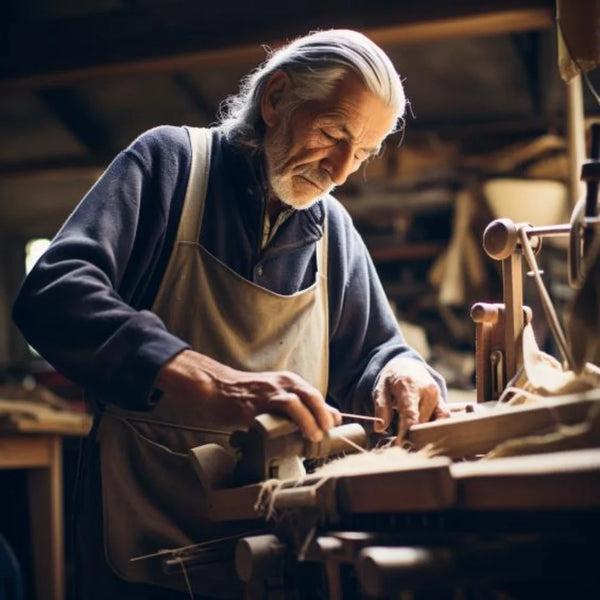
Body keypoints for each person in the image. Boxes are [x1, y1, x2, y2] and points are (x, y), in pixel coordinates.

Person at [13, 29, 450, 599]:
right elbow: (53, 290)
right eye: (332, 134)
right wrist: (199, 374)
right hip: (147, 523)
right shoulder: (170, 165)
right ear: (275, 99)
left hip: (279, 535)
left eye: (362, 153)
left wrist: (401, 372)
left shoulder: (332, 228)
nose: (342, 170)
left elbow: (373, 350)